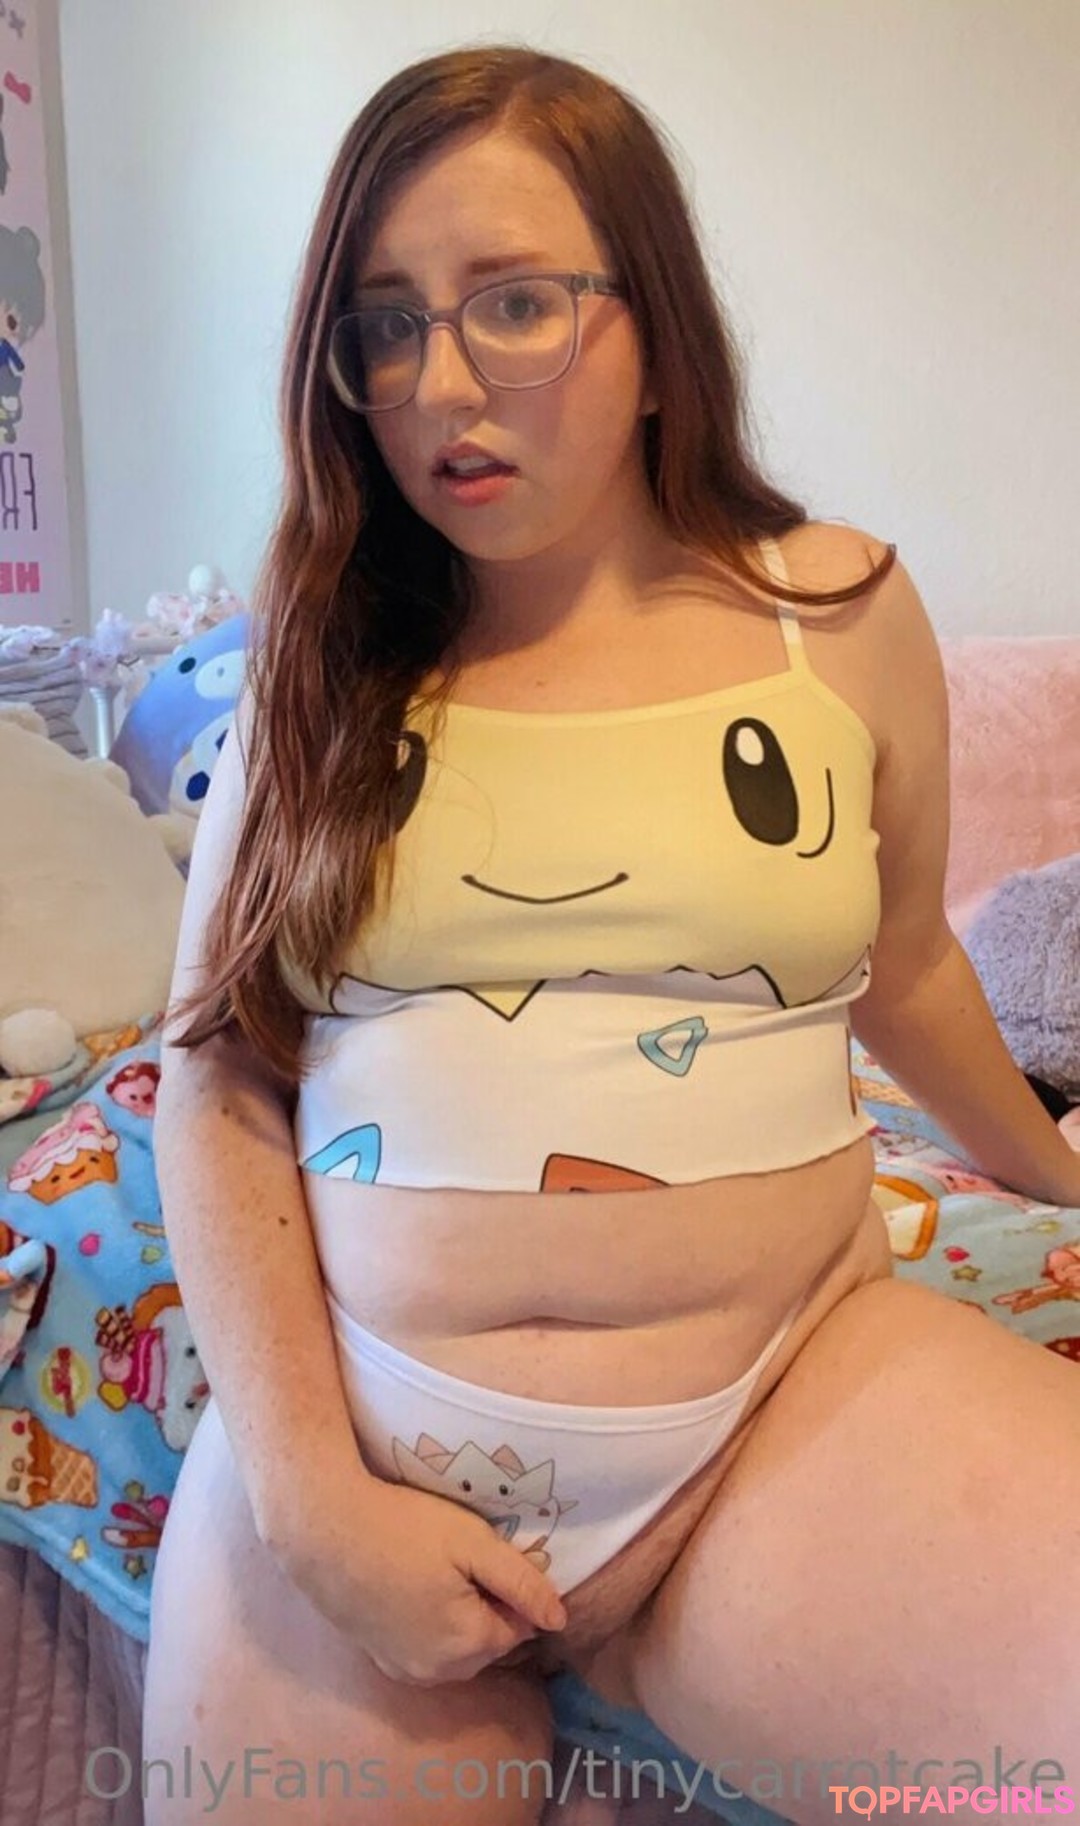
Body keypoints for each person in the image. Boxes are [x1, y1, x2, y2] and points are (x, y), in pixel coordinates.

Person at [142, 43, 1080, 1826]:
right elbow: (214, 1079)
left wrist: (1059, 1173)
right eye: (386, 325)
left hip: (781, 1417)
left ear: (652, 322)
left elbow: (903, 963)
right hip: (367, 1434)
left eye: (515, 304)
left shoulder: (840, 614)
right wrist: (308, 1502)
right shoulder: (320, 649)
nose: (440, 384)